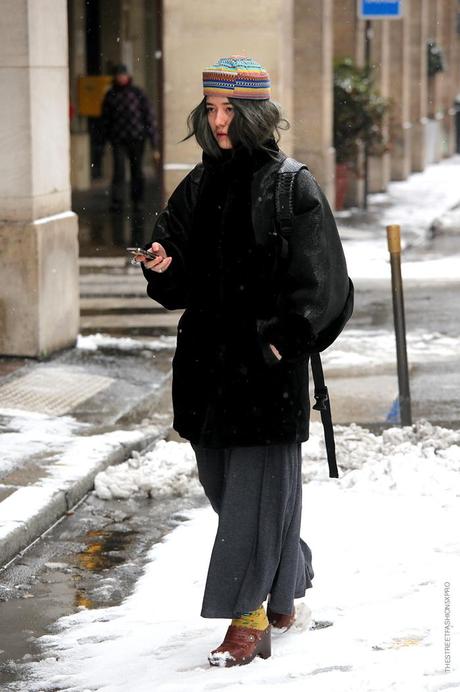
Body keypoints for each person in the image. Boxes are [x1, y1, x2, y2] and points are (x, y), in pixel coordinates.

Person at [136, 55, 352, 668]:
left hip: (265, 376)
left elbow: (326, 286)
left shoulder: (292, 185)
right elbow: (175, 267)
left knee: (252, 502)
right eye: (211, 108)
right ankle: (288, 579)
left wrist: (279, 344)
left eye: (231, 109)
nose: (219, 119)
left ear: (256, 113)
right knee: (229, 492)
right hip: (205, 370)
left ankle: (246, 618)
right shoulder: (200, 184)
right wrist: (162, 262)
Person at [100, 64, 160, 213]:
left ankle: (138, 201)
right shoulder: (111, 94)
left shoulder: (137, 93)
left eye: (123, 75)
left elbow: (149, 117)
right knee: (119, 171)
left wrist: (154, 143)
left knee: (136, 171)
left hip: (137, 138)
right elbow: (105, 120)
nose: (121, 78)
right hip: (118, 138)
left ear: (128, 76)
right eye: (118, 75)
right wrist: (102, 141)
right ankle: (117, 202)